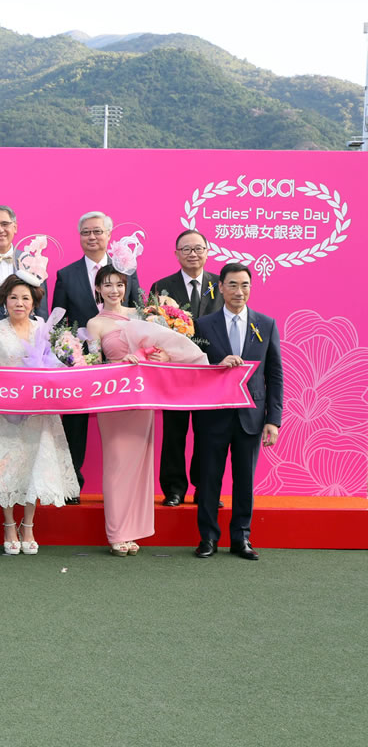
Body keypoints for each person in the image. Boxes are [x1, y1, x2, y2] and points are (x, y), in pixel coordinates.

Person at [86, 265, 205, 556]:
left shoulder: (143, 315)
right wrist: (118, 364)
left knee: (139, 466)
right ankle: (117, 532)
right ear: (98, 289)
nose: (114, 290)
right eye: (107, 285)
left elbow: (161, 351)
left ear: (126, 287)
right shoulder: (95, 323)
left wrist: (162, 357)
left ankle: (133, 530)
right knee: (117, 464)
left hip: (142, 399)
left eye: (119, 284)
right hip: (113, 400)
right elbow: (92, 365)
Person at [0, 273, 79, 554]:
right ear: (4, 301)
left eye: (25, 298)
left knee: (32, 467)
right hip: (3, 412)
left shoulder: (43, 328)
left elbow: (54, 367)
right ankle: (8, 525)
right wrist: (10, 399)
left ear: (33, 302)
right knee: (6, 468)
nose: (19, 303)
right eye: (13, 297)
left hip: (38, 413)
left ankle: (28, 526)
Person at [192, 263, 282, 561]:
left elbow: (275, 375)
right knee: (209, 479)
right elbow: (191, 368)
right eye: (232, 285)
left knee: (245, 481)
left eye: (244, 285)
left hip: (251, 417)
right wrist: (216, 366)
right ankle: (208, 538)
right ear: (220, 287)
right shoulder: (202, 325)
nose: (239, 291)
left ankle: (241, 538)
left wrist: (273, 420)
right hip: (213, 415)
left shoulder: (266, 324)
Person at [52, 211, 142, 502]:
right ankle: (71, 484)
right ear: (79, 237)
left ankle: (123, 487)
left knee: (121, 429)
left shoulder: (126, 270)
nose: (92, 237)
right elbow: (59, 321)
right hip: (80, 365)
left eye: (98, 231)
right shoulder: (66, 275)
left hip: (120, 364)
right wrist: (69, 353)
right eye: (86, 232)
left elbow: (139, 314)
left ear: (109, 235)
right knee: (74, 427)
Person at [150, 229, 223, 507]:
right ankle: (174, 489)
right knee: (174, 433)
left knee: (208, 434)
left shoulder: (221, 284)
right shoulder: (162, 287)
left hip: (210, 372)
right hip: (175, 372)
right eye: (186, 249)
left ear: (207, 251)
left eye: (198, 248)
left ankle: (205, 488)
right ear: (176, 254)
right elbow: (153, 329)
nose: (193, 254)